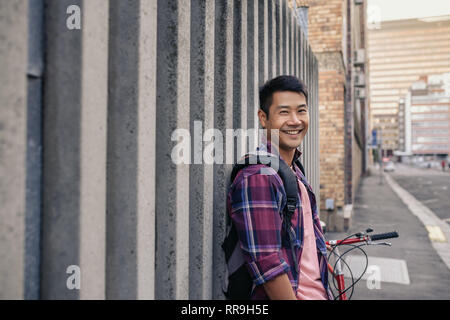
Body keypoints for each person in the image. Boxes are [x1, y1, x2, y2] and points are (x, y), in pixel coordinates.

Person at [227, 76, 332, 300]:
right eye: (284, 112)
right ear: (263, 118)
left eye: (301, 111)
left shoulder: (294, 171)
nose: (295, 121)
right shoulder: (258, 177)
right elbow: (267, 265)